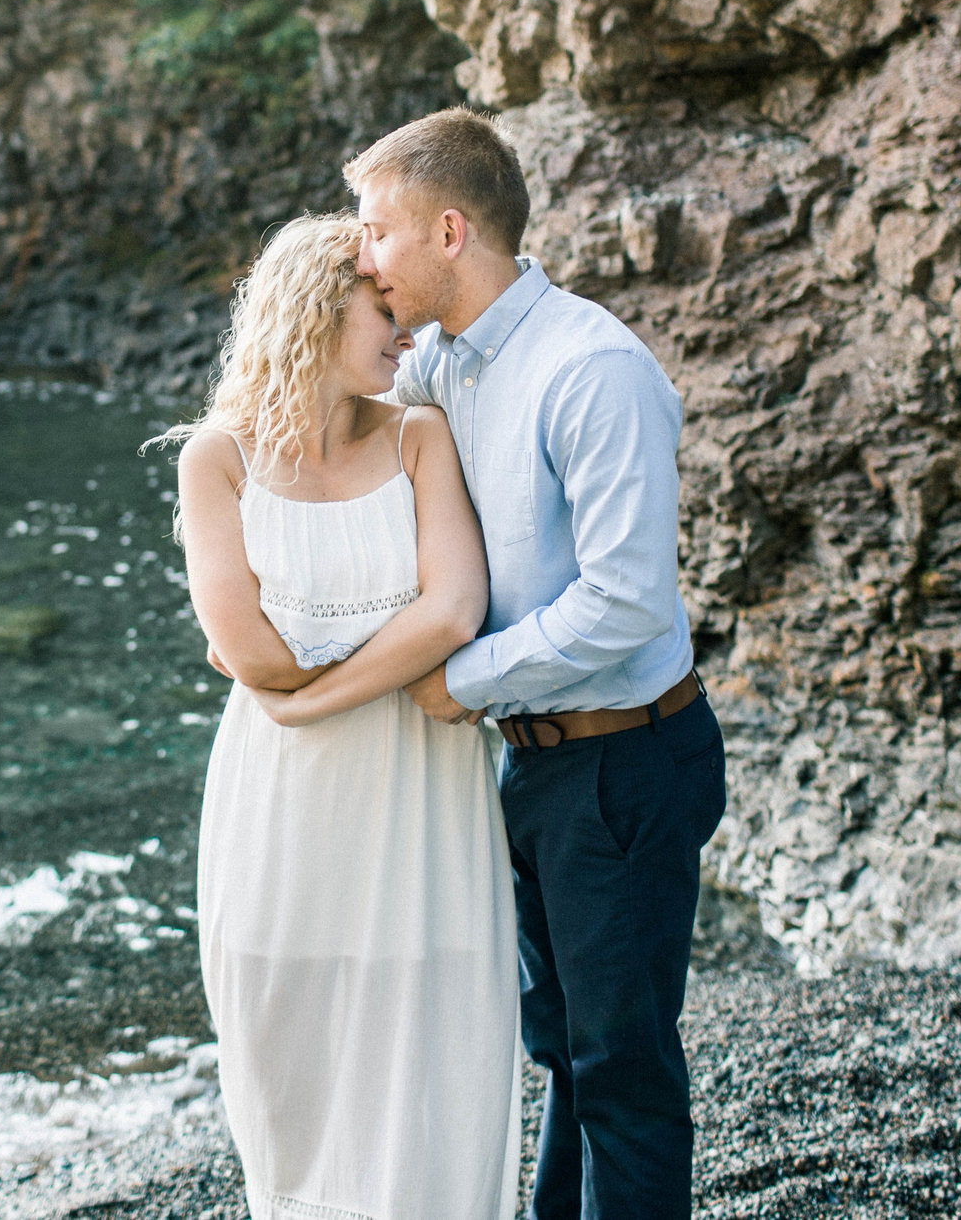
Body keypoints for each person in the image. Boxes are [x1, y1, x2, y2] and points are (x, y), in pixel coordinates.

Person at [347, 109, 726, 1220]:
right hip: (535, 765)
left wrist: (453, 682)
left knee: (623, 1068)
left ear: (450, 230)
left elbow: (623, 602)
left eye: (375, 232)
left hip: (625, 758)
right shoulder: (445, 369)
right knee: (562, 1046)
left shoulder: (590, 366)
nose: (361, 255)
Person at [167, 213, 521, 1220]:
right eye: (383, 305)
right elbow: (249, 651)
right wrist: (393, 638)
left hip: (420, 794)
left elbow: (454, 606)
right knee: (288, 1057)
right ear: (320, 303)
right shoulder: (216, 458)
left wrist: (313, 693)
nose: (404, 329)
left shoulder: (420, 435)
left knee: (433, 1060)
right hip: (278, 802)